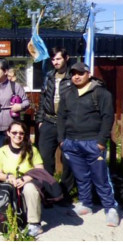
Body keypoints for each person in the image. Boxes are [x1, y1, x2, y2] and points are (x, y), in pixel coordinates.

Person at [57, 62, 118, 227]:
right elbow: (61, 116)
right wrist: (62, 139)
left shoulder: (101, 93)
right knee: (81, 177)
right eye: (73, 73)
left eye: (80, 73)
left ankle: (110, 208)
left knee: (101, 178)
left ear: (88, 74)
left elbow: (107, 117)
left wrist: (101, 141)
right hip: (72, 143)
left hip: (92, 142)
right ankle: (86, 204)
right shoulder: (68, 94)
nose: (76, 76)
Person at [36, 47, 75, 203]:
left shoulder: (73, 76)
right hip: (48, 121)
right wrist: (39, 120)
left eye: (58, 59)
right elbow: (42, 99)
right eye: (53, 59)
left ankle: (65, 193)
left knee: (68, 160)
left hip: (67, 123)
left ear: (66, 58)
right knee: (45, 160)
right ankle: (48, 193)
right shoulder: (49, 76)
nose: (55, 62)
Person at [0, 121, 46, 238]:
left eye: (21, 133)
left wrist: (27, 178)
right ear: (8, 133)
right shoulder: (1, 151)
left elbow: (40, 170)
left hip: (28, 180)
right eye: (14, 132)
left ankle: (35, 224)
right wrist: (8, 177)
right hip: (10, 181)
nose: (18, 135)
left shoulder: (32, 150)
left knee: (30, 188)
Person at [0, 59, 30, 168]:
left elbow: (26, 102)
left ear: (5, 71)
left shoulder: (15, 87)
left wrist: (20, 106)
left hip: (11, 127)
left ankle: (13, 176)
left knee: (12, 153)